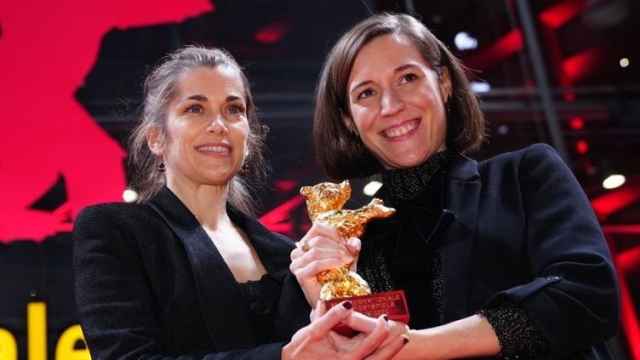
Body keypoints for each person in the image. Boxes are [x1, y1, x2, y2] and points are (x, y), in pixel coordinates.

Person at [291, 13, 620, 359]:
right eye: (366, 93)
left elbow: (586, 295)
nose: (391, 106)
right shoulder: (354, 242)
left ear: (444, 82)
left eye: (407, 78)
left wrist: (415, 347)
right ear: (349, 120)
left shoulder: (524, 177)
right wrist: (329, 304)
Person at [73, 46, 409, 359]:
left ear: (247, 136)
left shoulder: (289, 256)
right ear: (157, 138)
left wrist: (328, 307)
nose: (219, 125)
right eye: (195, 108)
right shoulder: (115, 232)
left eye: (234, 109)